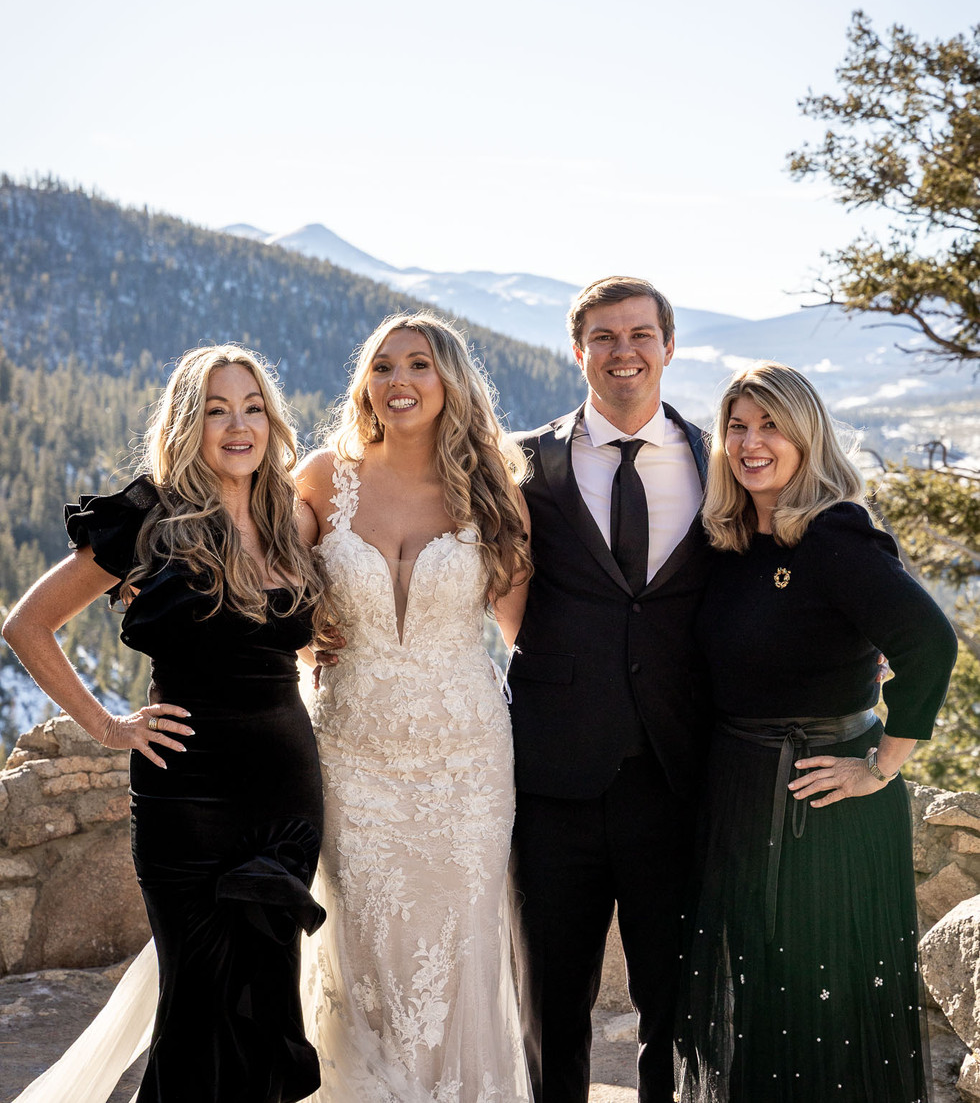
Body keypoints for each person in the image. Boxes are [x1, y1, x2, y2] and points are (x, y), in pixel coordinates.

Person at [3, 344, 333, 1103]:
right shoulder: (148, 516)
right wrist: (107, 724)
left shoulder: (286, 514)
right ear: (189, 422)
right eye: (217, 409)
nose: (238, 425)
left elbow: (279, 634)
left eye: (251, 406)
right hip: (188, 803)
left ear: (270, 419)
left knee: (265, 1000)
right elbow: (28, 623)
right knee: (197, 1007)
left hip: (287, 800)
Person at [674, 361, 958, 1103]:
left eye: (771, 424)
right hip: (740, 798)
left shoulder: (835, 534)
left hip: (821, 804)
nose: (750, 441)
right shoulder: (731, 539)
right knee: (761, 1002)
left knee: (821, 1008)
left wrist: (884, 763)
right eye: (737, 425)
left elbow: (930, 641)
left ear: (808, 435)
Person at [296, 311, 534, 1103]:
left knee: (460, 952)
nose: (399, 381)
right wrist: (304, 645)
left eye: (419, 364)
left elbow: (525, 630)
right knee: (364, 953)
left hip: (466, 766)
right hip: (352, 764)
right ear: (366, 382)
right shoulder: (325, 479)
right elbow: (274, 595)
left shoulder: (495, 489)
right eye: (384, 365)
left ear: (449, 381)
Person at [507, 275, 711, 1103]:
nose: (623, 350)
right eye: (604, 336)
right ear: (578, 347)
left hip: (676, 775)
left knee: (673, 1000)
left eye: (639, 334)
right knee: (555, 998)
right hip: (554, 775)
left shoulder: (719, 459)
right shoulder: (524, 461)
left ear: (668, 344)